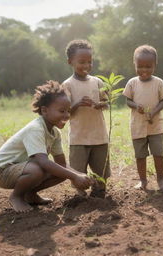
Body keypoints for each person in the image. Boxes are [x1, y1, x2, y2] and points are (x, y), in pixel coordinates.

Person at [0, 81, 93, 213]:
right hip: (1, 171)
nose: (67, 115)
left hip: (21, 168)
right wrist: (74, 177)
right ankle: (16, 197)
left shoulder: (55, 133)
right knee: (37, 169)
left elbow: (61, 164)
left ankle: (30, 195)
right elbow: (42, 161)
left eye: (68, 111)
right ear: (44, 110)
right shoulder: (36, 129)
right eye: (61, 111)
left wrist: (78, 175)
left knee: (61, 172)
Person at [62, 39, 110, 198]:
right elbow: (64, 111)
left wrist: (99, 105)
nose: (86, 65)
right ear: (70, 62)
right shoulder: (67, 85)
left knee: (101, 169)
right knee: (78, 170)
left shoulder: (98, 82)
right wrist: (76, 104)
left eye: (89, 62)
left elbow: (107, 103)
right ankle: (80, 194)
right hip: (78, 137)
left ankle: (99, 190)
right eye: (81, 62)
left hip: (99, 135)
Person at [123, 44, 163, 191]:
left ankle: (160, 180)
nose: (144, 70)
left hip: (156, 126)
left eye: (148, 66)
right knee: (140, 156)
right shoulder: (132, 83)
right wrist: (136, 106)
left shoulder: (158, 82)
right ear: (134, 64)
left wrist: (154, 112)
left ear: (155, 65)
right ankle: (143, 181)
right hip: (137, 126)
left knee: (158, 154)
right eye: (140, 66)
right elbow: (127, 100)